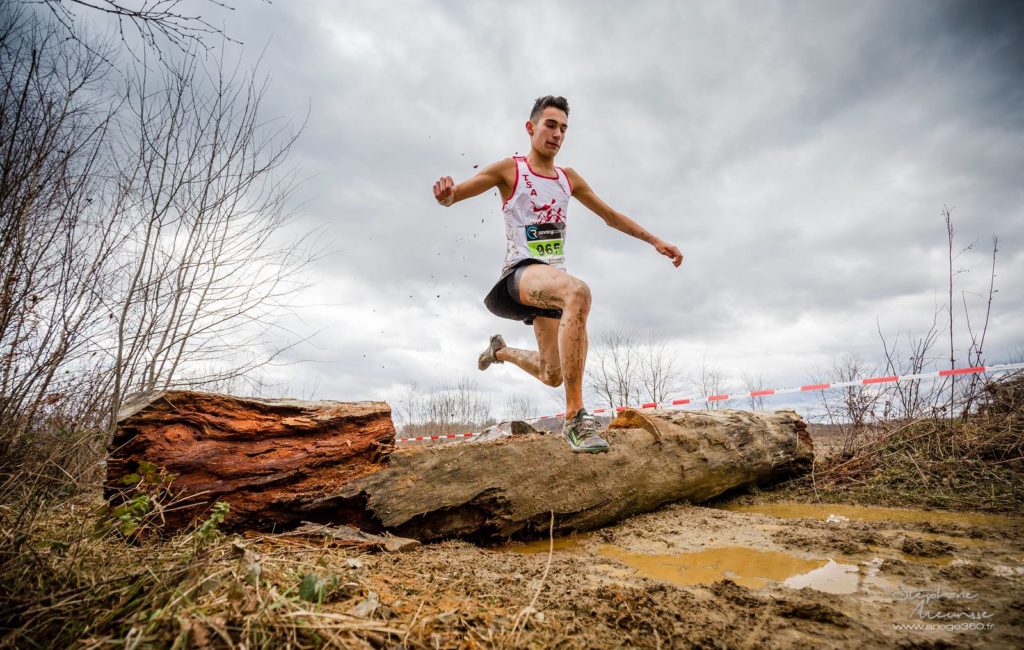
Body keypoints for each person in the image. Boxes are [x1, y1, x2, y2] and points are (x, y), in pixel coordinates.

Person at [431, 95, 683, 453]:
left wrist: (655, 240)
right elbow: (457, 194)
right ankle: (575, 417)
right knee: (577, 292)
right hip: (521, 274)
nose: (557, 134)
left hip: (551, 283)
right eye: (550, 125)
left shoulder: (569, 179)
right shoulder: (511, 169)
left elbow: (610, 216)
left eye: (564, 128)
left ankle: (499, 351)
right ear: (531, 127)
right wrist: (447, 194)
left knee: (552, 374)